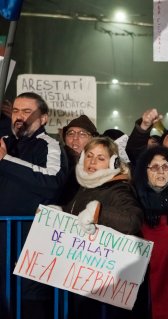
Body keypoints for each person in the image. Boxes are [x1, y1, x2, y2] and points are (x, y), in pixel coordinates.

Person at [0, 92, 68, 319]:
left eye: (27, 111)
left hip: (30, 245)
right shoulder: (4, 142)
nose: (19, 116)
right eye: (16, 111)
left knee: (29, 306)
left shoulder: (51, 146)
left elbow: (52, 181)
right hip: (3, 243)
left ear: (44, 118)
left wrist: (6, 161)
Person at [63, 136, 143, 319]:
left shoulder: (117, 189)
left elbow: (133, 220)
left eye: (100, 158)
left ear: (113, 162)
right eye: (89, 156)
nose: (92, 162)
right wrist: (55, 214)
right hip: (84, 282)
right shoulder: (84, 188)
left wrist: (99, 213)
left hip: (106, 290)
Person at [134, 146, 168, 319]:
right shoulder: (133, 196)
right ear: (145, 171)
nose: (161, 172)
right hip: (141, 278)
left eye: (166, 166)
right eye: (154, 167)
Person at [58, 114, 99, 205]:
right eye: (70, 133)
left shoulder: (100, 165)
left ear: (93, 139)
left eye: (82, 134)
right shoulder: (56, 161)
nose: (75, 138)